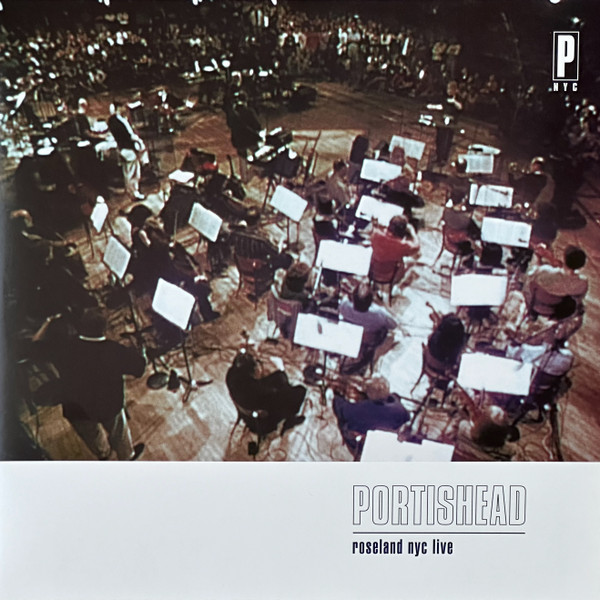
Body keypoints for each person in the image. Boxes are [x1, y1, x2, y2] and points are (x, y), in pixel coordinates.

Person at [32, 309, 146, 460]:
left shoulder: (66, 348)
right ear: (104, 330)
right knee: (118, 431)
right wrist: (140, 352)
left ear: (81, 328)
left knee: (93, 436)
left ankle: (104, 455)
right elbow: (140, 368)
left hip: (78, 408)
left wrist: (48, 321)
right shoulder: (114, 350)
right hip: (109, 404)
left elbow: (35, 346)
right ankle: (127, 456)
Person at [225, 350, 306, 434]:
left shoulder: (231, 375)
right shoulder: (256, 391)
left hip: (248, 418)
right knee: (300, 391)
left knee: (279, 382)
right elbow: (268, 390)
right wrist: (281, 371)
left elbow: (262, 386)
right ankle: (289, 421)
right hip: (262, 425)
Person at [332, 377, 410, 454]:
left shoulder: (360, 410)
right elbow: (406, 416)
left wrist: (336, 395)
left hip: (364, 447)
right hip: (387, 444)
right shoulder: (399, 410)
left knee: (344, 423)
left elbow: (340, 408)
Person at [107, 101, 147, 200]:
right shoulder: (119, 121)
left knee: (127, 172)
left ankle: (130, 191)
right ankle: (134, 193)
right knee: (133, 172)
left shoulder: (113, 121)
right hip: (128, 148)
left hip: (123, 148)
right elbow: (127, 135)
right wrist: (137, 141)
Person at [370, 215, 420, 283]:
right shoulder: (402, 246)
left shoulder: (376, 235)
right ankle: (398, 285)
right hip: (389, 277)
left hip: (372, 272)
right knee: (415, 258)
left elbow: (376, 230)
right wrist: (412, 231)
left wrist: (377, 225)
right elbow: (417, 246)